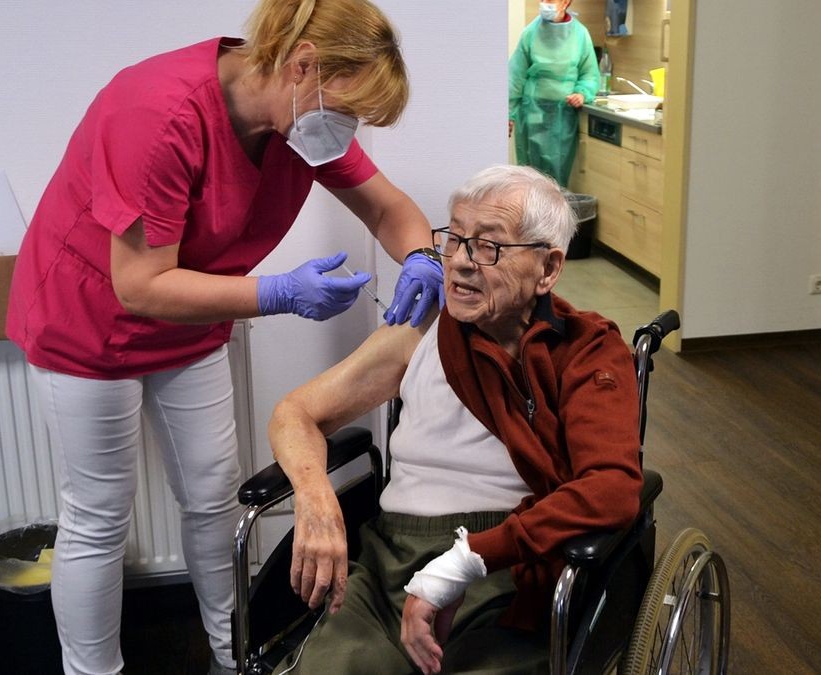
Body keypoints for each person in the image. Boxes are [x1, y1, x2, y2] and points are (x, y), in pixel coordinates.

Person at [4, 1, 443, 673]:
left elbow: (388, 207)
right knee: (98, 514)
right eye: (350, 112)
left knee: (213, 495)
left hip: (193, 318)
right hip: (88, 322)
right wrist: (279, 292)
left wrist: (423, 257)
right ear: (304, 66)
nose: (349, 132)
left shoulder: (301, 122)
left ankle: (233, 657)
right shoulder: (158, 113)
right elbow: (141, 285)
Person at [267, 165, 644, 674]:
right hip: (389, 562)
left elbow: (612, 489)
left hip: (504, 565)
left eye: (488, 247)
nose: (462, 263)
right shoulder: (420, 334)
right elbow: (295, 414)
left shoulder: (585, 351)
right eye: (454, 239)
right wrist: (316, 500)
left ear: (548, 269)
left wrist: (467, 560)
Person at [508, 0, 600, 187]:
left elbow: (589, 73)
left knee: (556, 174)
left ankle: (553, 216)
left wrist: (582, 93)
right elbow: (515, 76)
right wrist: (508, 113)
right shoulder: (531, 32)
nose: (545, 3)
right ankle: (528, 216)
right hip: (532, 110)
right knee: (529, 175)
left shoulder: (580, 34)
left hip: (562, 114)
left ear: (565, 2)